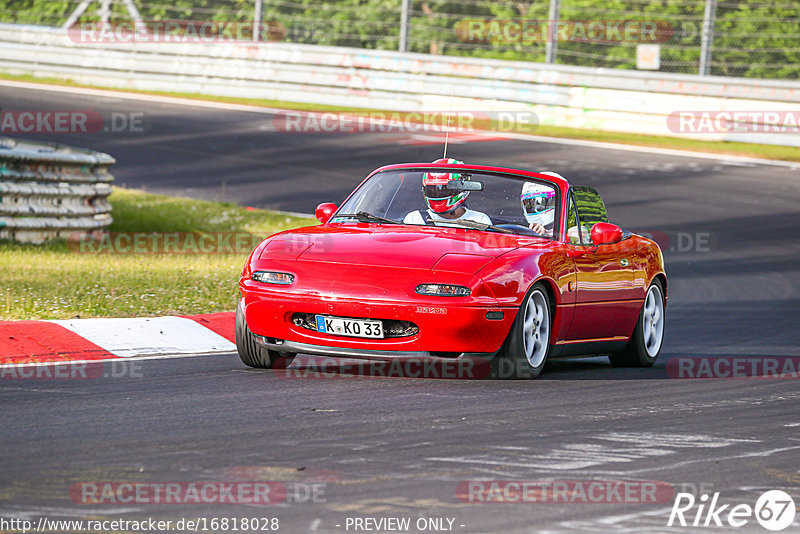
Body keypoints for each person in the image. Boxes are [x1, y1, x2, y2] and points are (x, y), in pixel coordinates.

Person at [403, 158, 492, 226]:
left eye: (443, 189)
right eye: (432, 190)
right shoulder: (414, 219)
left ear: (462, 188)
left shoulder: (479, 221)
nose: (437, 193)